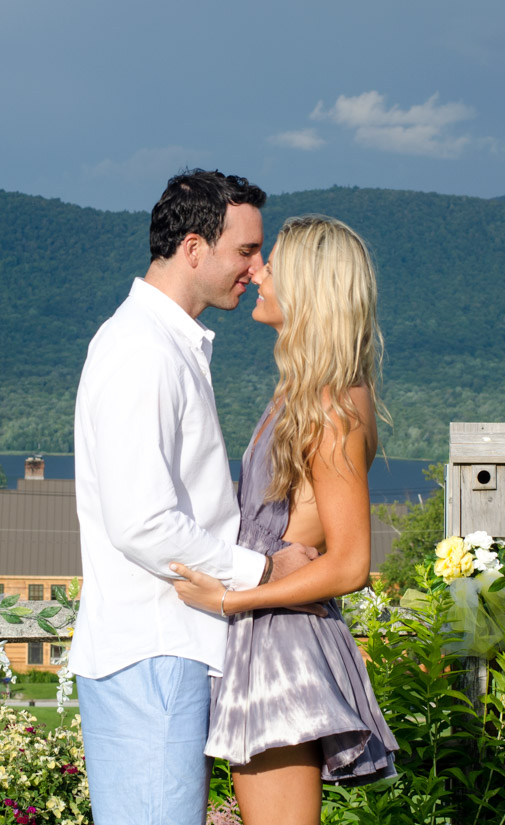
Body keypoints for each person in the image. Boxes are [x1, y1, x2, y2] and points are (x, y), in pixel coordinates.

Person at [68, 170, 318, 825]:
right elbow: (142, 522)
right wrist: (262, 570)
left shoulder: (164, 346)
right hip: (153, 651)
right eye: (245, 251)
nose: (257, 267)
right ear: (194, 249)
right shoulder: (141, 353)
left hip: (171, 649)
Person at [171, 214, 399, 825]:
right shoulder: (305, 394)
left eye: (271, 265)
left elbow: (350, 564)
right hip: (267, 628)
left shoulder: (331, 406)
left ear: (309, 287)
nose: (256, 273)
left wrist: (227, 601)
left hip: (281, 642)